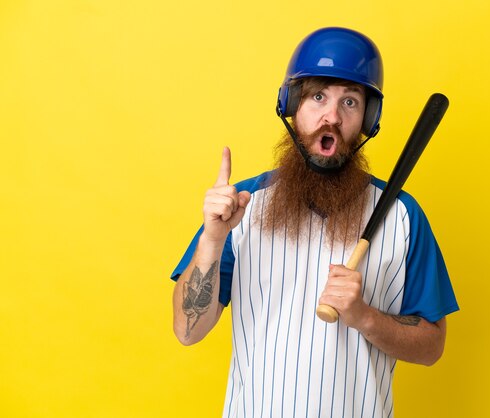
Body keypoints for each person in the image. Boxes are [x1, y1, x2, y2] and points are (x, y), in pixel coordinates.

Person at [170, 27, 459, 417]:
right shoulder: (241, 207)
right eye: (317, 96)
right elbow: (188, 332)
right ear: (292, 104)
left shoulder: (403, 217)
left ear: (368, 119)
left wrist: (365, 317)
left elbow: (432, 347)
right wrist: (212, 239)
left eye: (351, 102)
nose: (332, 117)